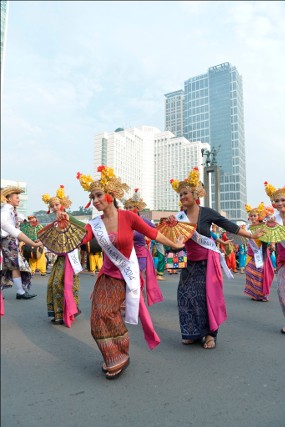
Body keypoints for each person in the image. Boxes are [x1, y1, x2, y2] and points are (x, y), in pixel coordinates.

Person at [76, 167, 184, 379]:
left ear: (111, 195)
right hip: (106, 276)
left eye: (99, 195)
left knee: (108, 313)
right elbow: (81, 239)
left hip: (126, 276)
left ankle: (120, 353)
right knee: (97, 318)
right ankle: (112, 355)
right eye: (92, 197)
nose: (96, 200)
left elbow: (153, 234)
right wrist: (64, 227)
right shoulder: (94, 224)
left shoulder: (128, 217)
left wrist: (175, 245)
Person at [169, 167, 265, 349]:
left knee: (205, 297)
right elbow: (175, 239)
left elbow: (229, 225)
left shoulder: (207, 212)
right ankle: (192, 332)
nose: (182, 197)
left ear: (195, 194)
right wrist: (171, 227)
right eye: (180, 194)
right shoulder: (179, 217)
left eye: (185, 193)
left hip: (207, 263)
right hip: (189, 263)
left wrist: (252, 236)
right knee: (185, 295)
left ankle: (210, 334)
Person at [41, 185, 83, 327]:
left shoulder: (69, 220)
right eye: (52, 205)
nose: (54, 207)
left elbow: (84, 229)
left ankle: (68, 311)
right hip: (60, 258)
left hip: (70, 257)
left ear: (63, 205)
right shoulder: (54, 225)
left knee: (64, 284)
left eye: (57, 204)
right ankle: (58, 313)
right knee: (53, 284)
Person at [1, 186, 42, 299]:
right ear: (9, 199)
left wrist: (28, 220)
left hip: (11, 241)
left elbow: (19, 218)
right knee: (14, 266)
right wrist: (31, 242)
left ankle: (20, 291)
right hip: (8, 241)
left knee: (14, 267)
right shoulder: (5, 210)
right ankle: (20, 292)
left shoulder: (11, 210)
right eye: (17, 197)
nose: (19, 200)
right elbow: (5, 223)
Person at [123, 188, 164, 301]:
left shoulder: (143, 221)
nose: (127, 209)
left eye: (130, 207)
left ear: (137, 208)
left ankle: (136, 301)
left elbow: (157, 231)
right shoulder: (123, 222)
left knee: (136, 278)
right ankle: (130, 300)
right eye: (126, 207)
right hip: (127, 256)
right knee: (127, 279)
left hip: (140, 255)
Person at [264, 181, 285, 334]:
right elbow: (271, 237)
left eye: (283, 200)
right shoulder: (273, 219)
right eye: (276, 200)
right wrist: (271, 243)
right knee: (282, 291)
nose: (280, 203)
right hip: (283, 259)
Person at [244, 202, 275, 302]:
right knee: (250, 272)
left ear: (258, 216)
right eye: (251, 216)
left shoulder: (263, 226)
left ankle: (262, 294)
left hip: (261, 254)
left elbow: (271, 235)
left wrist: (272, 244)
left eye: (254, 215)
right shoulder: (248, 227)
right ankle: (255, 294)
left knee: (260, 275)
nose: (253, 217)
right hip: (251, 253)